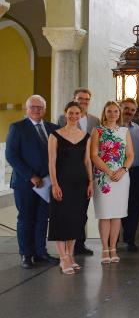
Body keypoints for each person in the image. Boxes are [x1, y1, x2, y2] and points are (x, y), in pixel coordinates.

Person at [5, 95, 59, 269]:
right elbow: (11, 155)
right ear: (27, 109)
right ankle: (26, 255)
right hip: (25, 183)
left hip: (47, 183)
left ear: (45, 109)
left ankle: (40, 252)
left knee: (43, 219)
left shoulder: (53, 128)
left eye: (40, 107)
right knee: (26, 219)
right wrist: (31, 176)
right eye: (33, 107)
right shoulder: (18, 128)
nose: (37, 110)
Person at [48, 101, 93, 274]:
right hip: (61, 183)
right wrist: (54, 184)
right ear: (65, 113)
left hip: (80, 184)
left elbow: (87, 161)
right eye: (70, 113)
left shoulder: (86, 136)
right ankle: (63, 258)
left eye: (77, 113)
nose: (73, 116)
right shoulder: (55, 135)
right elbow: (51, 161)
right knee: (61, 219)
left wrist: (90, 182)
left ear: (81, 115)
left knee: (76, 219)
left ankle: (71, 255)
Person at [57, 88, 100, 256]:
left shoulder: (95, 121)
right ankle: (68, 247)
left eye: (87, 99)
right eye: (80, 99)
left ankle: (80, 244)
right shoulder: (62, 119)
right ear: (74, 99)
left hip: (87, 170)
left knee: (82, 211)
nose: (84, 102)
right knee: (67, 210)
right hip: (67, 171)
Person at [90, 101, 134, 264]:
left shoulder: (124, 131)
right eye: (110, 111)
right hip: (103, 177)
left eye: (116, 111)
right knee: (105, 214)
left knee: (117, 215)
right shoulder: (98, 131)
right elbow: (94, 155)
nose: (113, 114)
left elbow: (130, 155)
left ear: (119, 113)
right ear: (105, 113)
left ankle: (113, 248)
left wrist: (122, 170)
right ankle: (104, 249)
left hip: (121, 177)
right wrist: (108, 171)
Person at [120, 98, 139, 252]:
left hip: (138, 172)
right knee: (120, 206)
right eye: (126, 108)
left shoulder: (137, 128)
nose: (129, 112)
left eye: (132, 110)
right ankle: (115, 239)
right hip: (120, 172)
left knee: (135, 207)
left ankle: (130, 239)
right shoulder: (114, 129)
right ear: (120, 108)